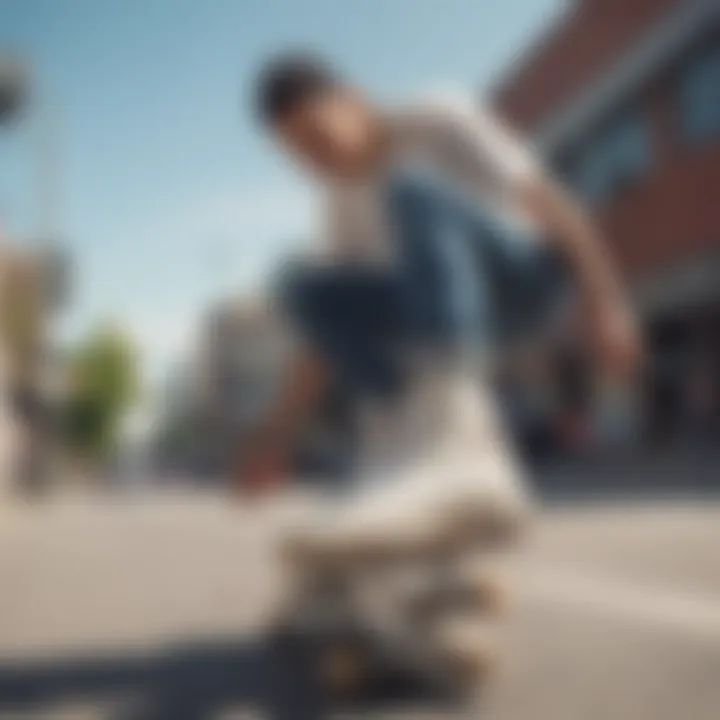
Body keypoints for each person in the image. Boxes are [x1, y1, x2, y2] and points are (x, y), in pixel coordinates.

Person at [239, 52, 641, 562]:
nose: (315, 160)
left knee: (410, 188)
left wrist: (606, 300)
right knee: (301, 286)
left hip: (524, 283)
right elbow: (321, 342)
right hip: (446, 308)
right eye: (297, 154)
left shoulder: (437, 117)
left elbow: (551, 203)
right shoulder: (338, 203)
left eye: (316, 135)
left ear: (355, 101)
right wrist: (277, 434)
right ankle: (396, 450)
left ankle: (452, 436)